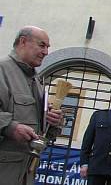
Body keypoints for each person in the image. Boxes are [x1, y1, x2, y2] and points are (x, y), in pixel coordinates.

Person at [0, 26, 64, 185]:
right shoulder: (2, 70)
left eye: (48, 47)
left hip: (25, 173)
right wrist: (10, 127)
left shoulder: (37, 81)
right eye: (42, 45)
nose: (46, 52)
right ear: (23, 41)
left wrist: (51, 121)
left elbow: (41, 130)